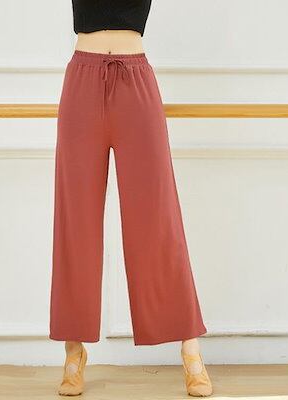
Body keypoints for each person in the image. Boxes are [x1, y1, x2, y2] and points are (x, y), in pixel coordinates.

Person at [49, 0, 213, 397]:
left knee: (158, 217)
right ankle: (74, 351)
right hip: (82, 80)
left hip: (135, 80)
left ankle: (191, 349)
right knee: (76, 219)